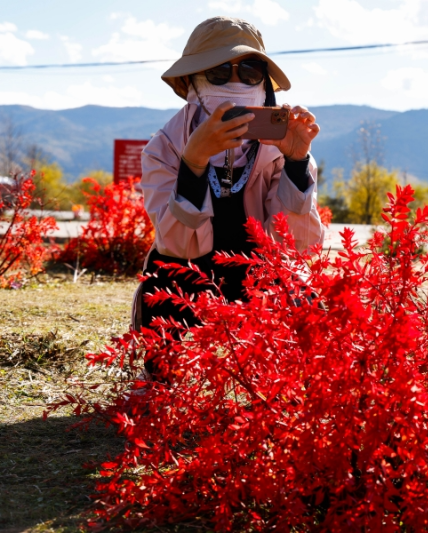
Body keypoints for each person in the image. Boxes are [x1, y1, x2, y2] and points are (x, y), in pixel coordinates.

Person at [132, 17, 325, 368]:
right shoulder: (164, 148)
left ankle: (292, 391)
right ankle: (159, 382)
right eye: (219, 71)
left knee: (302, 296)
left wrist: (296, 163)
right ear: (193, 83)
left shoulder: (279, 147)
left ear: (264, 84)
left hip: (258, 270)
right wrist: (194, 160)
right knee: (163, 275)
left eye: (250, 71)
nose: (235, 81)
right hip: (190, 269)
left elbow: (297, 248)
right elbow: (178, 244)